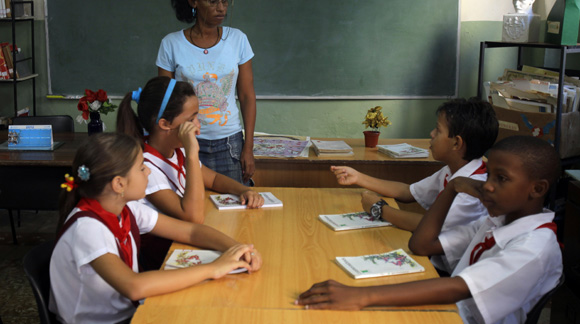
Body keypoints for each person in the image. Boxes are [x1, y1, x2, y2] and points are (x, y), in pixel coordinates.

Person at [296, 136, 563, 324]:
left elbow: (460, 287)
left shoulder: (533, 247)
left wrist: (361, 296)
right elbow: (421, 246)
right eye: (490, 175)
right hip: (449, 310)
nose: (488, 186)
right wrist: (452, 188)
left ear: (537, 189)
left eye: (501, 179)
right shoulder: (498, 222)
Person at [49, 133, 262, 324]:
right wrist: (214, 269)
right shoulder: (88, 229)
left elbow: (191, 231)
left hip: (129, 312)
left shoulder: (127, 208)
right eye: (141, 167)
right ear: (119, 184)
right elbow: (134, 287)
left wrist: (239, 249)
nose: (148, 170)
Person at [331, 98, 498, 273]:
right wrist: (358, 177)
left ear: (456, 143)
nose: (432, 134)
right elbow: (407, 191)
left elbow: (426, 225)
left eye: (438, 130)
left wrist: (379, 209)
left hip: (448, 272)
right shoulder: (454, 170)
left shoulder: (470, 188)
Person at [117, 76, 264, 269]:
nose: (198, 125)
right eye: (191, 119)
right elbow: (193, 217)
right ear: (165, 124)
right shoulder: (146, 168)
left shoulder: (176, 150)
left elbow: (214, 179)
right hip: (161, 260)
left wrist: (243, 190)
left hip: (182, 244)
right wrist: (192, 155)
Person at [157, 0, 256, 186]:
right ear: (193, 1)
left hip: (229, 143)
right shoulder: (171, 44)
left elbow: (248, 97)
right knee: (189, 206)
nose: (221, 8)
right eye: (213, 1)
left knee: (235, 209)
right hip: (185, 140)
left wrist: (248, 147)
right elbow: (164, 101)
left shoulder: (238, 39)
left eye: (225, 0)